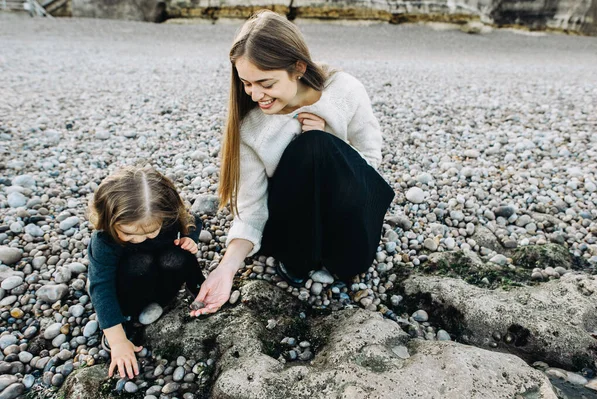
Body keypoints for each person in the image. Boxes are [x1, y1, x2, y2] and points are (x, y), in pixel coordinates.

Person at [191, 10, 394, 317]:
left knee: (316, 145)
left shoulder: (344, 91)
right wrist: (225, 269)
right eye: (246, 83)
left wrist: (329, 146)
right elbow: (252, 210)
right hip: (293, 238)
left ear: (298, 68)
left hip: (348, 229)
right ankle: (299, 260)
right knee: (310, 148)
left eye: (266, 83)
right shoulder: (251, 127)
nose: (256, 94)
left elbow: (369, 165)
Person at [87, 166, 205, 379]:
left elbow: (193, 221)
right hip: (129, 289)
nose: (140, 239)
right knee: (139, 261)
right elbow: (100, 286)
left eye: (151, 232)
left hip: (163, 282)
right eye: (129, 234)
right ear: (109, 220)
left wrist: (190, 239)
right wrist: (117, 341)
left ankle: (198, 290)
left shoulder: (167, 216)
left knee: (178, 254)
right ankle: (128, 320)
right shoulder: (104, 240)